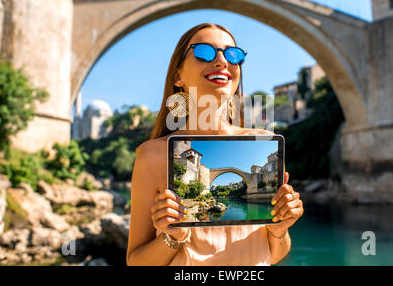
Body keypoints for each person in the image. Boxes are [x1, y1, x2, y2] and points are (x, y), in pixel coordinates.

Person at [126, 23, 304, 266]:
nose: (222, 61)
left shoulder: (263, 141)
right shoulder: (153, 155)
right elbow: (136, 261)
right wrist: (172, 238)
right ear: (178, 75)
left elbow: (273, 254)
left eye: (233, 54)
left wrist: (280, 229)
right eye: (204, 52)